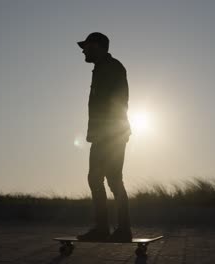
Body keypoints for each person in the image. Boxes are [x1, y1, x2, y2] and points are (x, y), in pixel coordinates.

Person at [76, 32, 132, 242]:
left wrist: (110, 133)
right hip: (106, 134)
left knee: (111, 179)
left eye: (87, 46)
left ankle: (118, 229)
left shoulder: (112, 68)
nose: (83, 50)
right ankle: (106, 228)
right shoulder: (101, 69)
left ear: (98, 46)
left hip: (111, 134)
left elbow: (119, 101)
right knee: (100, 178)